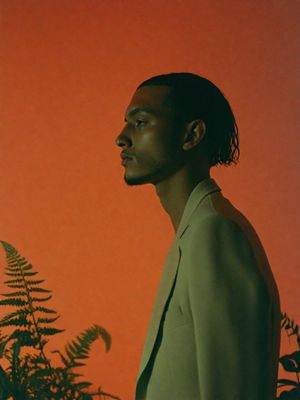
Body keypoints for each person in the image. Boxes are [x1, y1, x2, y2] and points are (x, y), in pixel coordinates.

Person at [115, 72, 281, 400]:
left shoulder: (214, 233)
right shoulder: (193, 234)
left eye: (141, 121)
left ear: (191, 135)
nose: (122, 137)